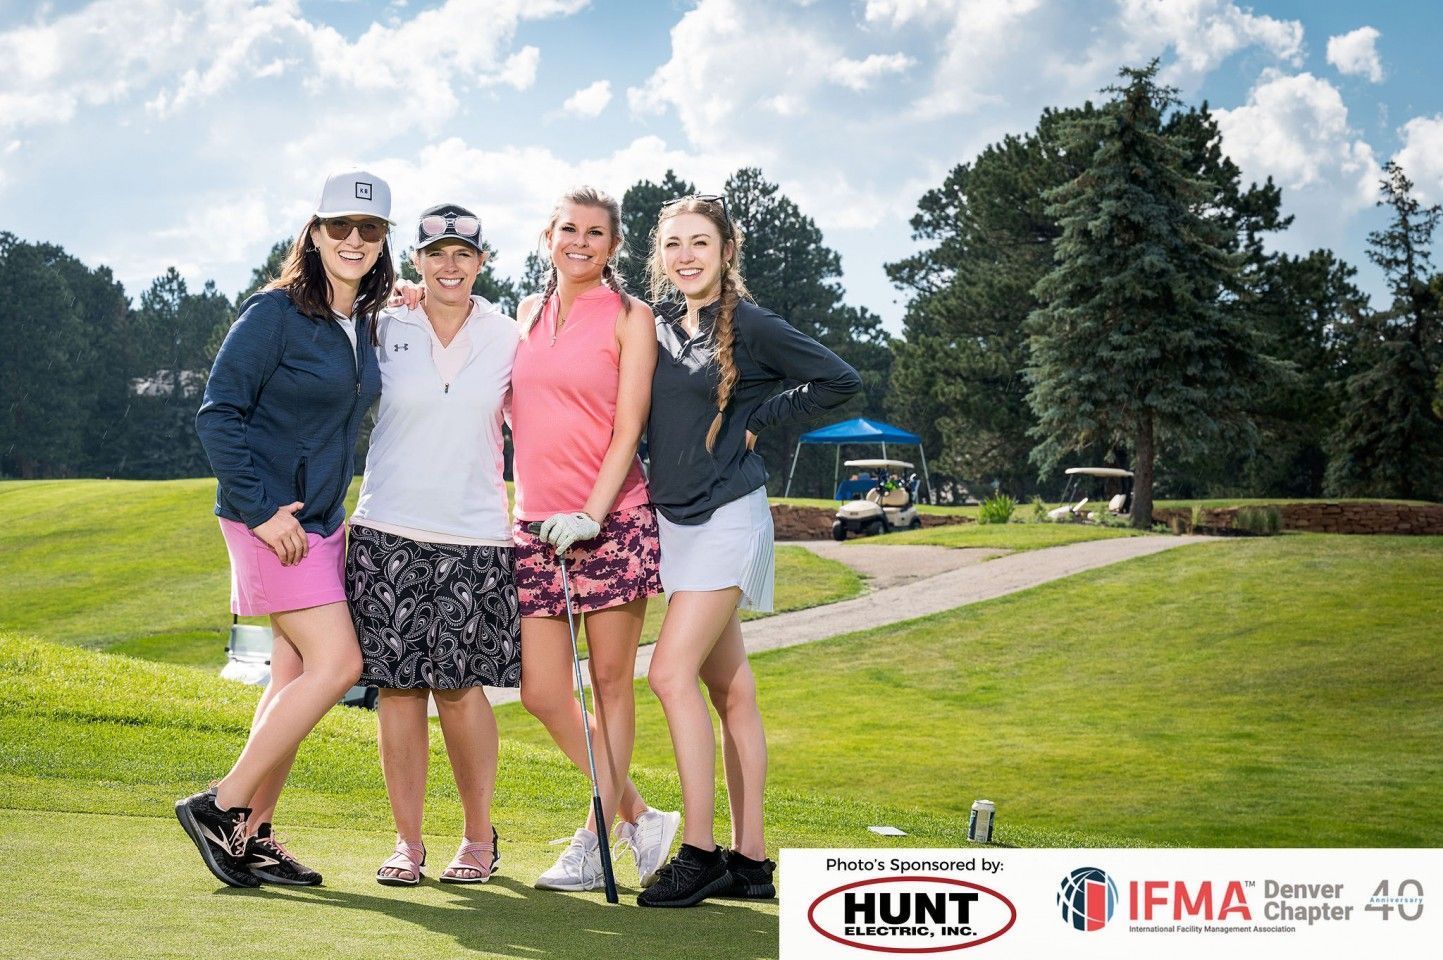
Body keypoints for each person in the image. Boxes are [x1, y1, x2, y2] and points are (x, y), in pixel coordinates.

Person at [637, 194, 861, 908]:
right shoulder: (657, 326)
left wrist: (763, 421)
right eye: (673, 243)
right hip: (675, 521)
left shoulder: (753, 326)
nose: (686, 255)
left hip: (731, 518)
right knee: (728, 689)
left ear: (726, 249)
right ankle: (752, 861)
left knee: (668, 675)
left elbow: (838, 380)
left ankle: (699, 851)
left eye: (699, 242)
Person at [182, 170, 395, 887]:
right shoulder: (274, 313)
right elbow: (218, 413)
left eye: (368, 230)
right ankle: (220, 805)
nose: (353, 240)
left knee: (295, 675)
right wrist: (262, 508)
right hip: (269, 523)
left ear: (381, 241)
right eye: (339, 227)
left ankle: (251, 833)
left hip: (319, 524)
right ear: (313, 232)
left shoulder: (362, 321)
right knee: (341, 665)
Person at [346, 204, 521, 886]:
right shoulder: (383, 325)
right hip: (386, 527)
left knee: (456, 687)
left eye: (464, 253)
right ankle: (407, 844)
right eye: (436, 253)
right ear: (416, 259)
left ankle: (479, 840)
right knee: (396, 691)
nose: (450, 265)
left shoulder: (509, 335)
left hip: (474, 534)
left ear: (481, 262)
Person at [512, 186, 680, 892]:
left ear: (613, 246)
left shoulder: (631, 317)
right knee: (541, 691)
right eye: (567, 229)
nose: (578, 242)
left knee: (611, 686)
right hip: (533, 527)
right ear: (547, 236)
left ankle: (593, 836)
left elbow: (628, 426)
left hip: (612, 522)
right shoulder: (523, 313)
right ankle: (638, 815)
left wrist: (591, 510)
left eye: (595, 233)